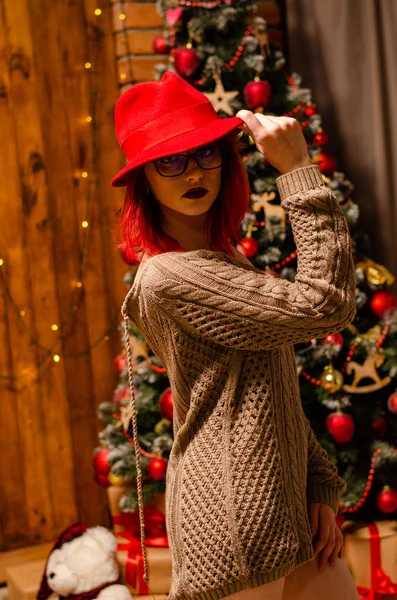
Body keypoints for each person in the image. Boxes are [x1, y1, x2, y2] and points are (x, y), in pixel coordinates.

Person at [111, 71, 360, 600]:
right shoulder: (168, 277)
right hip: (230, 521)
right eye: (170, 160)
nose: (193, 171)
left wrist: (317, 487)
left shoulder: (224, 258)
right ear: (145, 180)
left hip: (283, 512)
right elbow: (326, 304)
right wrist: (298, 171)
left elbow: (268, 393)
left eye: (205, 153)